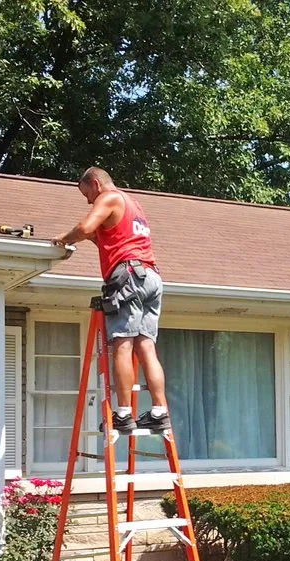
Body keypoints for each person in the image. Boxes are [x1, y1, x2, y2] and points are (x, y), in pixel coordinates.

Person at [52, 167, 169, 433]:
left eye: (88, 194)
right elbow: (110, 239)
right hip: (149, 276)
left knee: (122, 344)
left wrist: (63, 238)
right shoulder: (133, 204)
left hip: (128, 277)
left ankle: (124, 414)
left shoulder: (110, 197)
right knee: (146, 346)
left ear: (96, 184)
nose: (89, 201)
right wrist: (91, 238)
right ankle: (159, 412)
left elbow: (84, 227)